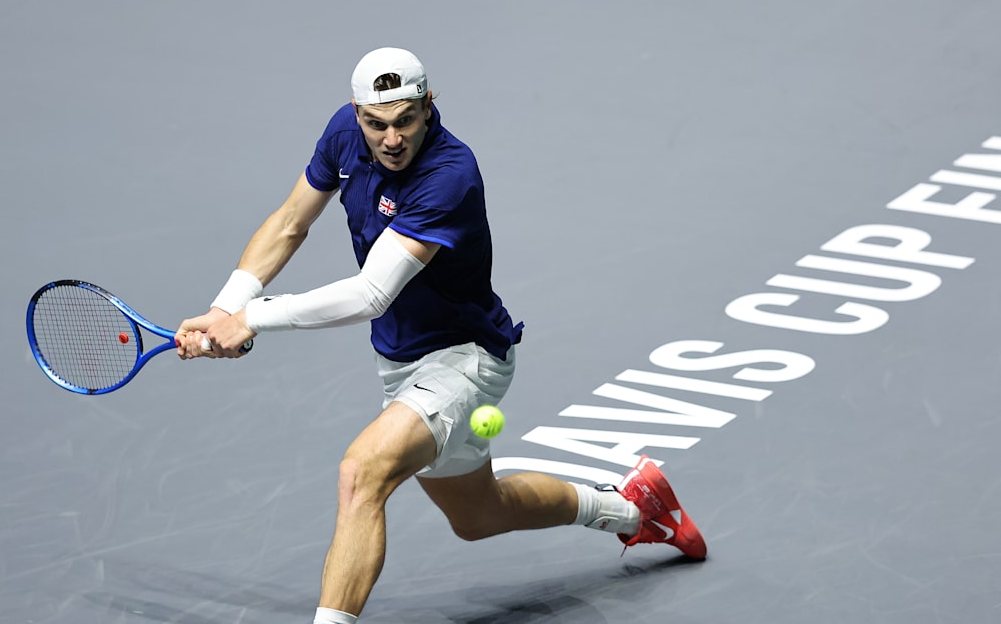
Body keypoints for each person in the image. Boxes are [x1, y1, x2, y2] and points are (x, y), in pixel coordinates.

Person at [176, 47, 706, 623]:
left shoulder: (449, 174)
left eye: (405, 120)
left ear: (429, 106)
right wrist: (224, 308)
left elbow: (371, 294)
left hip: (465, 360)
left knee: (362, 473)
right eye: (376, 123)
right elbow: (288, 222)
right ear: (356, 113)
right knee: (479, 516)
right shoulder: (343, 134)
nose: (392, 138)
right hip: (401, 364)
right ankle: (634, 509)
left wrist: (252, 319)